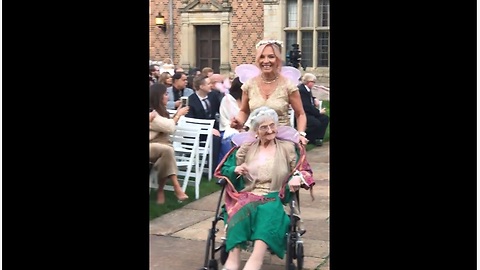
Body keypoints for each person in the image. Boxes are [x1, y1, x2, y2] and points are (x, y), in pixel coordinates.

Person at [216, 106, 312, 270]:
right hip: (247, 196)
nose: (269, 130)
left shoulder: (288, 148)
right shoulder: (245, 149)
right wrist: (235, 170)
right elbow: (224, 170)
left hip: (274, 196)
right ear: (255, 131)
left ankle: (256, 260)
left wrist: (297, 177)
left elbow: (304, 170)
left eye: (272, 125)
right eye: (263, 127)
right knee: (240, 211)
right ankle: (232, 261)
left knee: (268, 211)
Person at [230, 39, 309, 145]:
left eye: (271, 57)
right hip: (257, 138)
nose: (266, 61)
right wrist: (238, 121)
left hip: (282, 140)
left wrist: (301, 134)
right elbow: (244, 111)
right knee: (241, 158)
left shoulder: (288, 85)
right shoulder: (249, 85)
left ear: (277, 60)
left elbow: (300, 114)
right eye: (262, 57)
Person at [149, 83, 190, 204]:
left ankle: (160, 191)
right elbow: (170, 127)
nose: (168, 96)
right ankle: (176, 187)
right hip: (151, 145)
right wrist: (178, 115)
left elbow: (167, 123)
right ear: (158, 96)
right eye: (165, 94)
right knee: (167, 150)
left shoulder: (162, 112)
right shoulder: (152, 113)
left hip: (161, 148)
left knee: (165, 155)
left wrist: (176, 114)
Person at [185, 75, 222, 176]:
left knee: (225, 136)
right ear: (201, 86)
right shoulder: (191, 100)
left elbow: (219, 111)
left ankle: (222, 165)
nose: (211, 85)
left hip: (214, 127)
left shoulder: (213, 96)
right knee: (215, 139)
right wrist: (208, 129)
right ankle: (213, 169)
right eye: (209, 83)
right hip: (197, 132)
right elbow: (190, 121)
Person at [297, 73, 330, 146]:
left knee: (325, 119)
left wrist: (314, 99)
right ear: (308, 82)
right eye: (313, 82)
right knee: (316, 123)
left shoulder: (307, 89)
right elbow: (306, 106)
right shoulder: (301, 90)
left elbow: (309, 99)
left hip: (309, 112)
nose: (314, 84)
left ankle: (318, 138)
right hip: (304, 113)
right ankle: (307, 138)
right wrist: (318, 112)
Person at [218, 76, 245, 163]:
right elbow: (226, 119)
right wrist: (236, 127)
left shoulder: (247, 100)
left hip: (244, 128)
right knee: (234, 138)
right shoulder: (227, 99)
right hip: (228, 129)